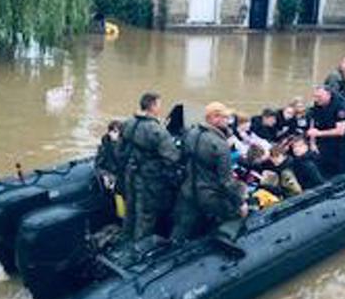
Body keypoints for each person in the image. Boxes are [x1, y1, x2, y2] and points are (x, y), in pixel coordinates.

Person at [172, 102, 249, 241]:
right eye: (226, 118)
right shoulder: (220, 145)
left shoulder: (191, 133)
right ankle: (223, 240)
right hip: (209, 196)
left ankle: (170, 251)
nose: (229, 121)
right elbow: (226, 182)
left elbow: (181, 159)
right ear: (215, 118)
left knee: (181, 229)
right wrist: (240, 203)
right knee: (237, 213)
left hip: (188, 191)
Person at [121, 92, 182, 242]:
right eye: (159, 104)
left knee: (130, 210)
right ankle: (140, 250)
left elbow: (120, 150)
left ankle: (126, 240)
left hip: (130, 174)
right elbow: (172, 158)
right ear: (153, 105)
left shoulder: (128, 123)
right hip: (149, 179)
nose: (160, 108)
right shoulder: (157, 130)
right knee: (146, 215)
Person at [307, 86, 345, 177]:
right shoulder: (318, 103)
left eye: (319, 97)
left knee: (340, 167)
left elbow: (340, 131)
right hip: (324, 135)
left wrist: (319, 133)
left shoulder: (340, 105)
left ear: (328, 95)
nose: (317, 99)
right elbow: (313, 122)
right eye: (315, 96)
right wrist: (312, 142)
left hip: (340, 141)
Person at [95, 120, 124, 192]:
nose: (113, 134)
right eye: (112, 131)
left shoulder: (125, 147)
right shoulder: (104, 147)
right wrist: (105, 176)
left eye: (116, 132)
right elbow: (98, 165)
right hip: (111, 178)